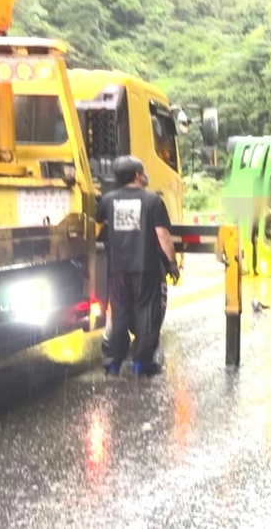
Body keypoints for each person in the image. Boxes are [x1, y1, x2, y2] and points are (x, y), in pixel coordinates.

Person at [96, 156, 179, 376]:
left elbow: (98, 224)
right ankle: (142, 363)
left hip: (117, 269)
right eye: (143, 172)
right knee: (147, 315)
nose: (145, 176)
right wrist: (172, 263)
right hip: (146, 268)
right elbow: (163, 235)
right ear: (136, 175)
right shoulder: (153, 200)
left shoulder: (108, 200)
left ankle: (113, 362)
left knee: (120, 314)